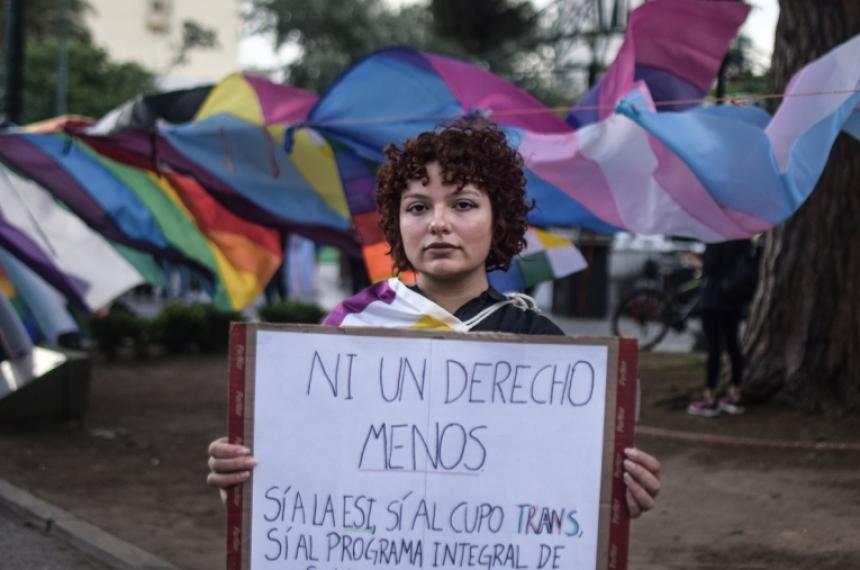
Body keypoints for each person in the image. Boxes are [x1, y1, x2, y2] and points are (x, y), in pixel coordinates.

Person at [208, 120, 661, 518]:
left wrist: (615, 498)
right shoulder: (347, 329)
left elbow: (565, 487)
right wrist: (249, 482)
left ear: (498, 220)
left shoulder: (543, 348)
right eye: (418, 207)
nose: (438, 223)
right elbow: (304, 463)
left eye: (463, 204)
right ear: (397, 224)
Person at [687, 239, 756, 417]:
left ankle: (710, 396)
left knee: (714, 349)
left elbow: (710, 266)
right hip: (734, 300)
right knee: (733, 346)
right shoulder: (743, 239)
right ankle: (735, 393)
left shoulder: (716, 236)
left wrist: (696, 260)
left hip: (713, 299)